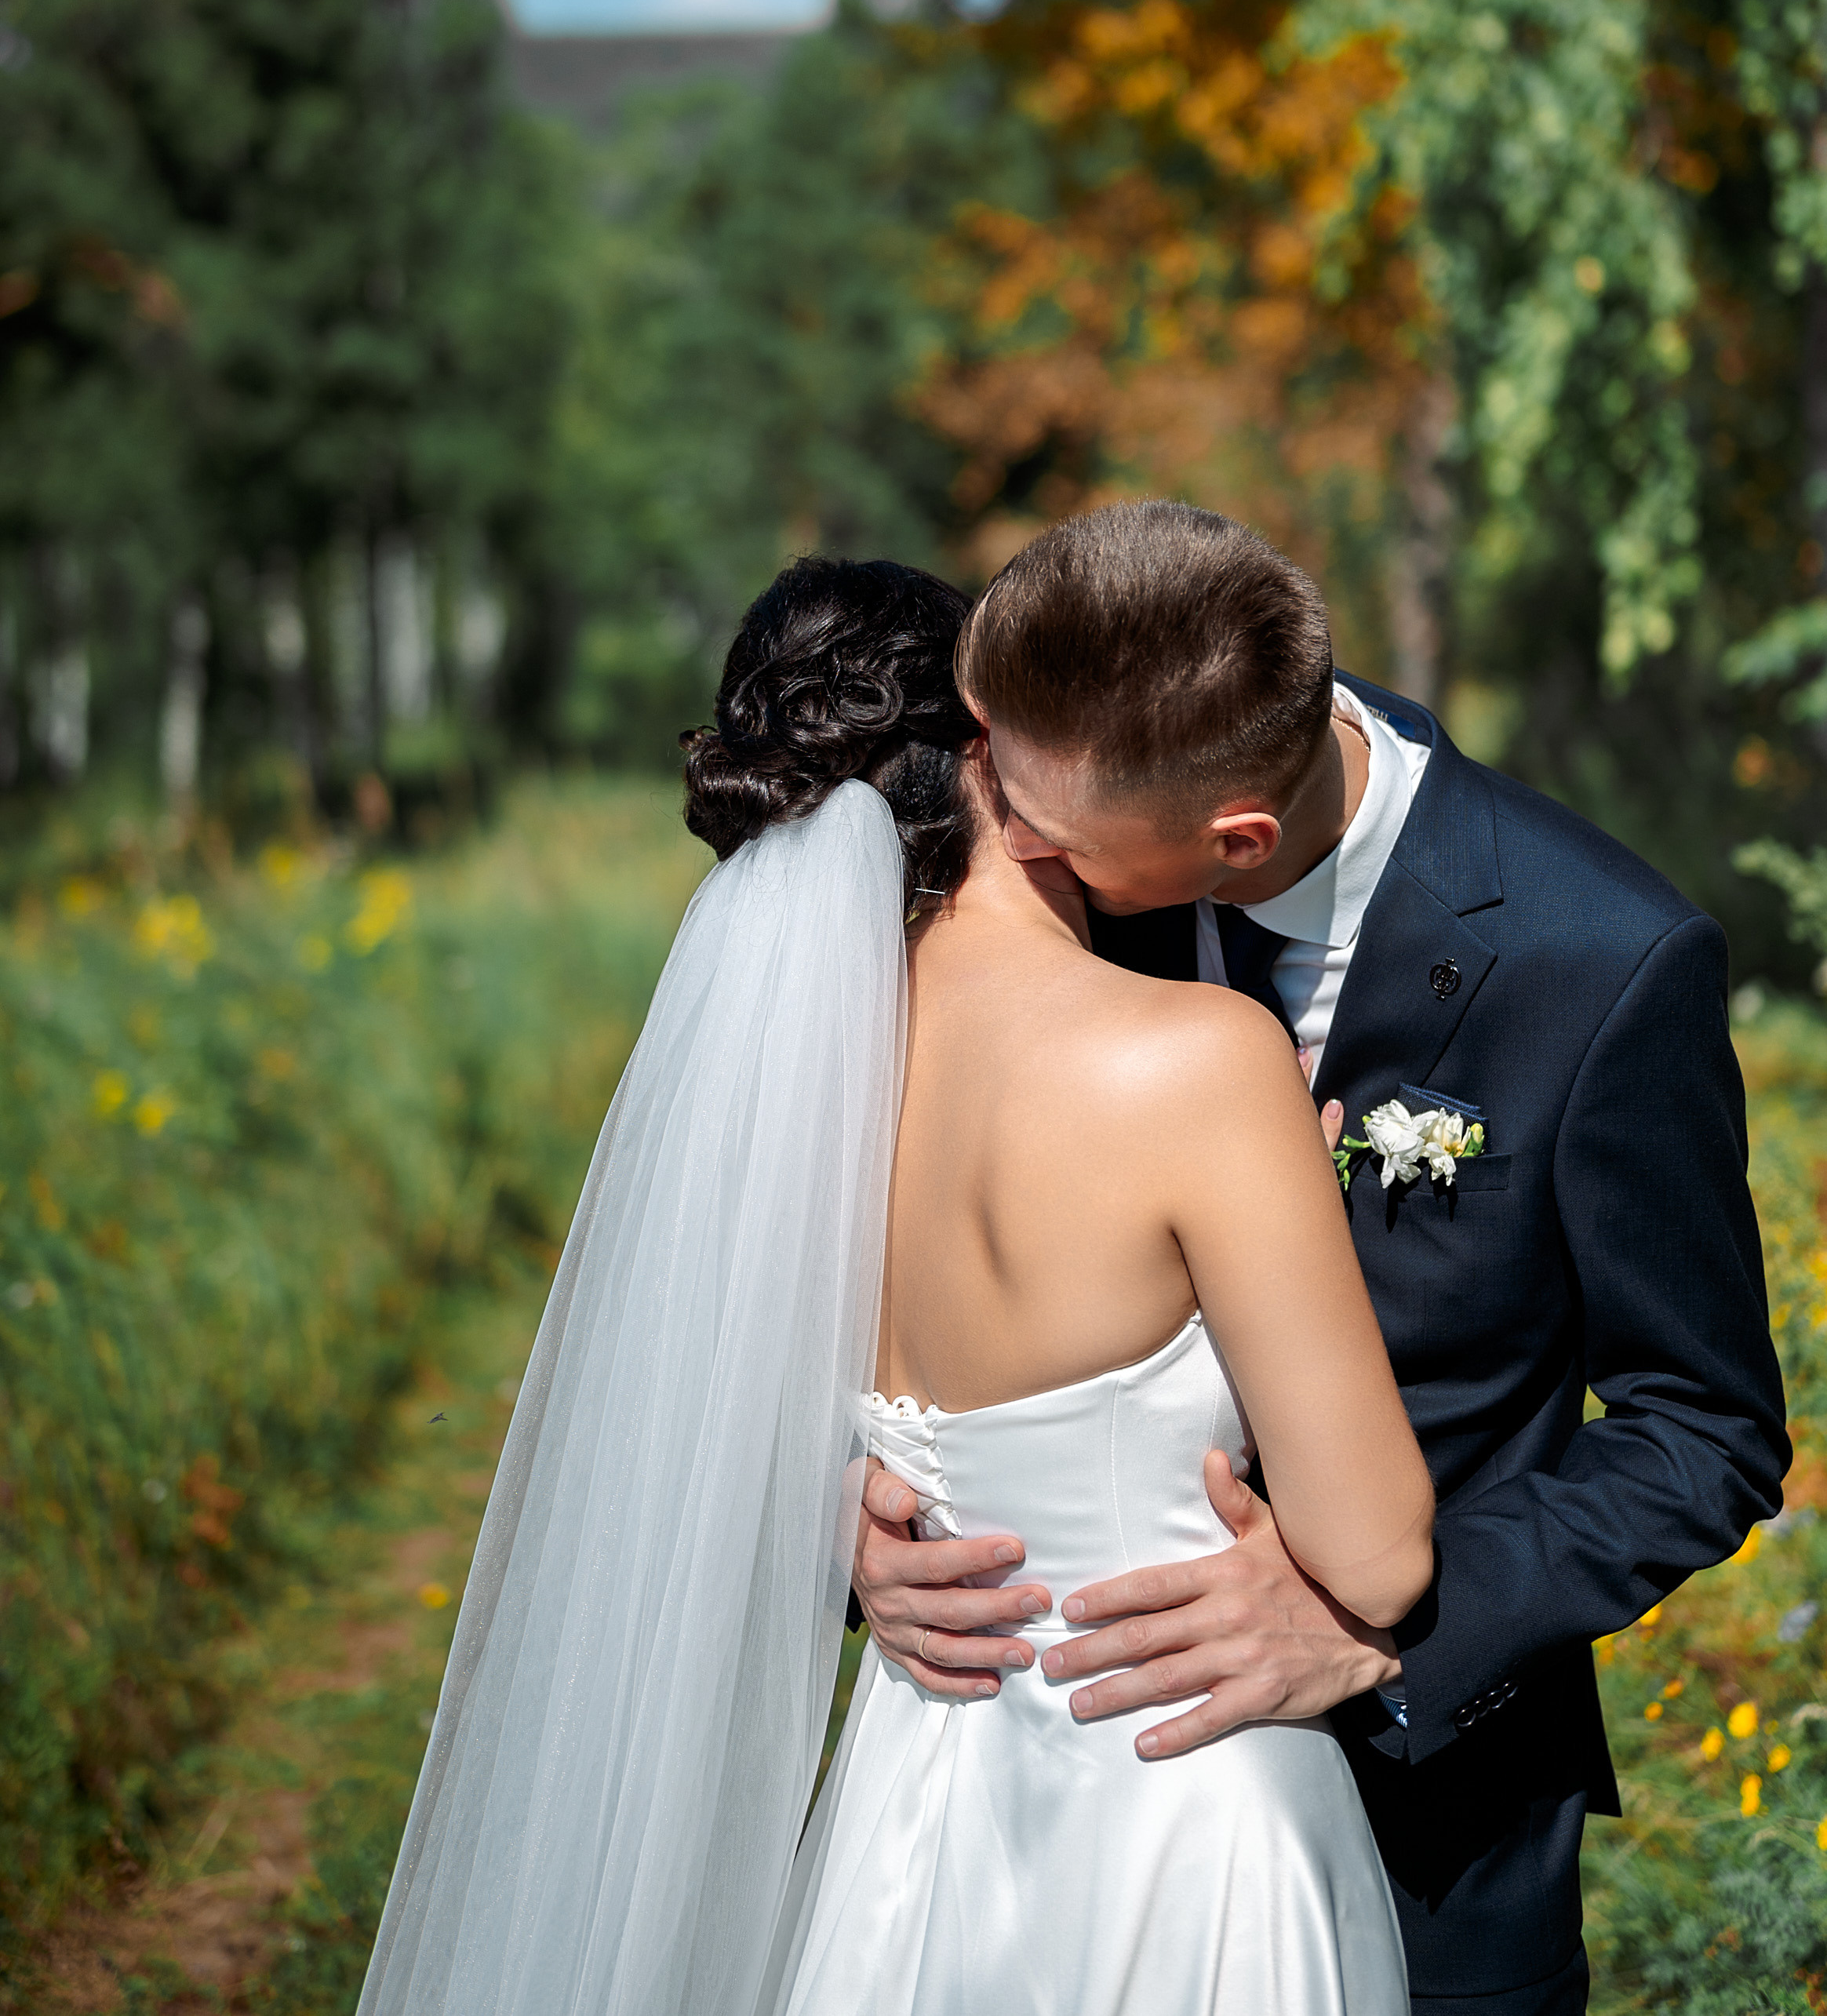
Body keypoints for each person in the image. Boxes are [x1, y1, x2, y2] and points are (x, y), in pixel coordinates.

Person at [357, 554, 1432, 2016]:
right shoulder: (1201, 1061)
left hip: (915, 1801)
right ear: (1001, 750)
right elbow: (1375, 1561)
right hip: (1179, 1799)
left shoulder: (788, 1094)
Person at [852, 501, 1790, 2016]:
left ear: (1231, 841)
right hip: (1053, 1799)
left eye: (1042, 827)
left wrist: (1383, 1632)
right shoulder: (1077, 835)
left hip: (1441, 1830)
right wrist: (876, 1513)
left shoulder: (1603, 962)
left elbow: (1706, 1434)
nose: (1000, 843)